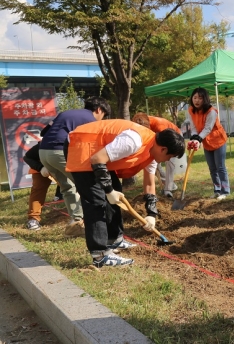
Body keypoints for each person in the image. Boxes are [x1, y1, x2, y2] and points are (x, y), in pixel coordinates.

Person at [65, 119, 185, 268]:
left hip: (98, 154)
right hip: (82, 146)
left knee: (116, 191)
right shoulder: (133, 141)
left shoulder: (153, 153)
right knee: (96, 201)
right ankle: (100, 255)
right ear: (163, 149)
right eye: (170, 157)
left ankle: (115, 239)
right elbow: (97, 159)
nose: (168, 160)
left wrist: (151, 214)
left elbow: (149, 183)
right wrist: (108, 191)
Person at [39, 97, 111, 237]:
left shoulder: (66, 113)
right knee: (90, 186)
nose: (101, 119)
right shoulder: (90, 119)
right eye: (103, 115)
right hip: (60, 151)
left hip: (44, 152)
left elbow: (43, 132)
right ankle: (99, 222)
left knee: (67, 186)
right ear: (99, 110)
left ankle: (76, 223)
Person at [187, 87, 230, 200]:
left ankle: (225, 191)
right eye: (195, 97)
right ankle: (217, 190)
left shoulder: (211, 111)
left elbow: (208, 128)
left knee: (220, 167)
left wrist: (198, 139)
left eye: (200, 98)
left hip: (218, 140)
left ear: (205, 99)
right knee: (212, 168)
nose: (197, 100)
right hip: (206, 142)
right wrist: (194, 138)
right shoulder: (191, 110)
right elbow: (194, 127)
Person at [132, 112, 185, 198]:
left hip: (174, 138)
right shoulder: (139, 122)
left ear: (148, 126)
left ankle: (168, 189)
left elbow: (166, 142)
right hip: (160, 140)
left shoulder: (160, 126)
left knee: (169, 162)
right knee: (154, 163)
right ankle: (170, 184)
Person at [23, 142, 53, 231]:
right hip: (42, 167)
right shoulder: (47, 141)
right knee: (39, 189)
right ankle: (33, 219)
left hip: (65, 165)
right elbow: (27, 157)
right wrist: (40, 168)